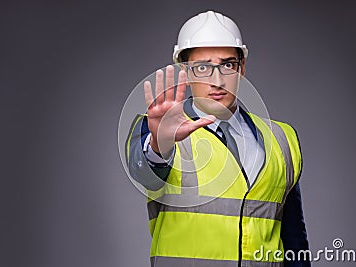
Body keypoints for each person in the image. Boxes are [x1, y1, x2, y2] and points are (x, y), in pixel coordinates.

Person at [126, 10, 310, 267]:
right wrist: (159, 144)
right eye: (202, 67)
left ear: (242, 68)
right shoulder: (157, 130)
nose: (217, 80)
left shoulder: (282, 139)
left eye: (227, 65)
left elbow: (294, 242)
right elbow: (143, 171)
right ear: (185, 72)